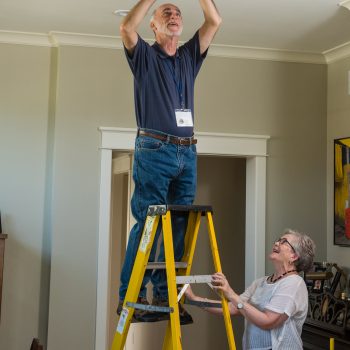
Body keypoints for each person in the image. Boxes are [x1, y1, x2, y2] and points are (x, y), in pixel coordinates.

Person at [117, 0, 222, 324]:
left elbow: (214, 20)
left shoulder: (190, 55)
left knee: (179, 224)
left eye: (177, 13)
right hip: (154, 149)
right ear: (154, 25)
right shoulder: (145, 56)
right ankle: (130, 298)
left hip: (186, 152)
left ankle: (164, 293)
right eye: (166, 13)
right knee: (149, 223)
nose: (173, 16)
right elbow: (125, 28)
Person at [185, 229, 316, 349]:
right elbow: (232, 307)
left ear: (294, 256)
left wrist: (230, 293)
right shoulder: (260, 282)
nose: (276, 243)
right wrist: (194, 298)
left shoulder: (293, 284)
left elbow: (268, 321)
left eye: (283, 242)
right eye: (278, 240)